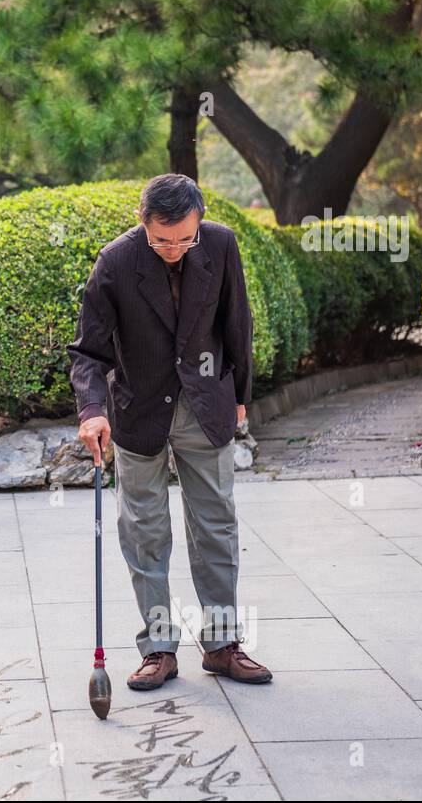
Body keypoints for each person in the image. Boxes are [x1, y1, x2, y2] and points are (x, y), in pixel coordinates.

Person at [68, 173, 273, 690]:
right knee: (144, 533)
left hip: (207, 405)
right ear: (143, 223)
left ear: (199, 222)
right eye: (162, 240)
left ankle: (223, 644)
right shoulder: (116, 261)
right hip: (139, 412)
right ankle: (159, 648)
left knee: (216, 526)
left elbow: (237, 323)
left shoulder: (221, 244)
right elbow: (88, 350)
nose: (175, 249)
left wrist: (242, 396)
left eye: (185, 238)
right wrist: (92, 409)